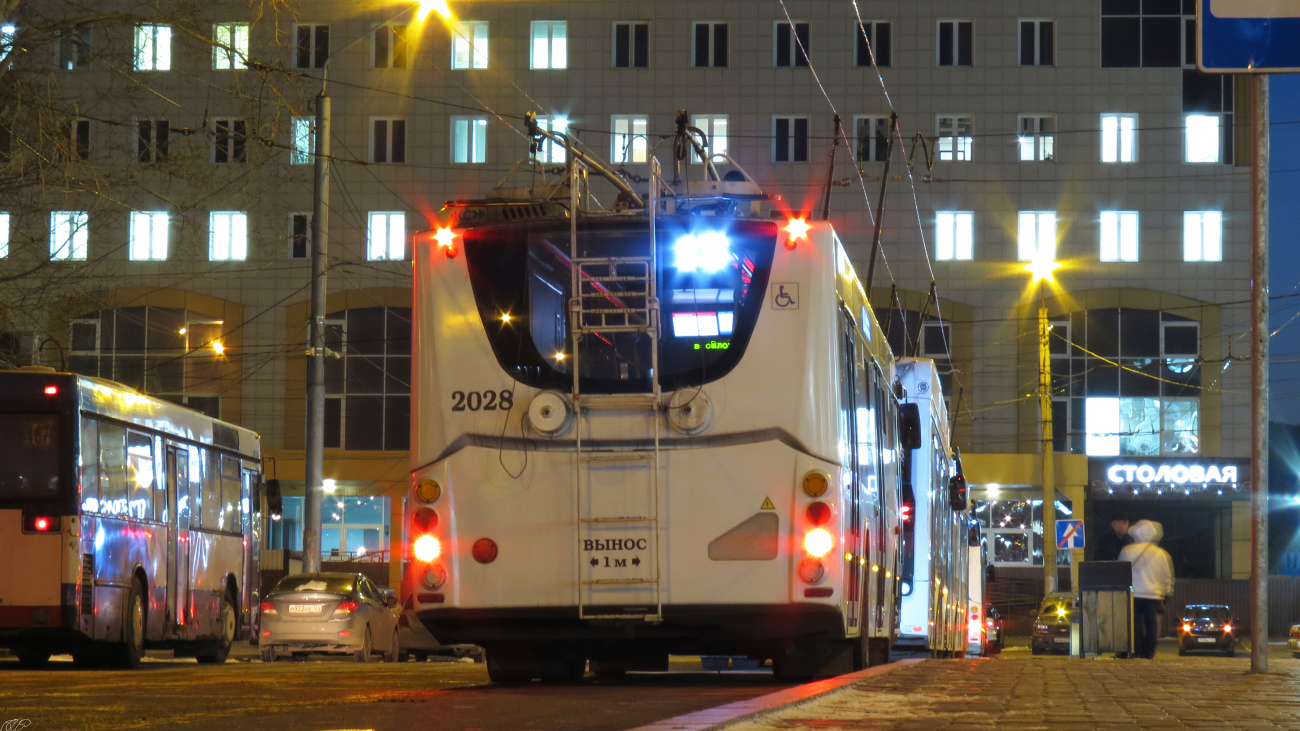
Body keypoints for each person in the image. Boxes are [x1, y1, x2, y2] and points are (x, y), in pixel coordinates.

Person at [1120, 520, 1175, 659]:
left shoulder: (1127, 550)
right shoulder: (1161, 554)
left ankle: (1137, 650)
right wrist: (1167, 592)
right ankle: (1149, 652)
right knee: (1151, 623)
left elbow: (1120, 572)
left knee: (1135, 623)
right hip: (1154, 595)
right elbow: (1166, 576)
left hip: (1134, 594)